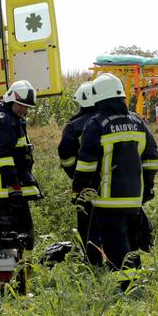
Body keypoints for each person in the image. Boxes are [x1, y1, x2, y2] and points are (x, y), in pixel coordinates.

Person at [72, 73, 158, 288]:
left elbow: (86, 165)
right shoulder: (138, 122)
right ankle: (136, 283)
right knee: (131, 243)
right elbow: (151, 158)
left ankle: (129, 289)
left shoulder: (97, 123)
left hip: (108, 201)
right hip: (134, 200)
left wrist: (79, 192)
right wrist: (147, 188)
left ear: (99, 99)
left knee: (116, 246)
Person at [0, 80, 40, 249]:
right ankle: (22, 271)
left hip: (7, 190)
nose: (24, 110)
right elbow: (4, 156)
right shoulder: (7, 122)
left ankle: (14, 270)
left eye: (27, 107)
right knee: (21, 237)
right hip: (8, 190)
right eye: (21, 105)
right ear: (10, 100)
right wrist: (14, 185)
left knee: (9, 237)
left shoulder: (8, 119)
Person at [57, 81, 101, 264]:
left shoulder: (74, 126)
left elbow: (65, 157)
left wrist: (75, 175)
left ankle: (93, 262)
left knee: (87, 224)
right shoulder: (108, 120)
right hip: (114, 183)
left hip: (84, 185)